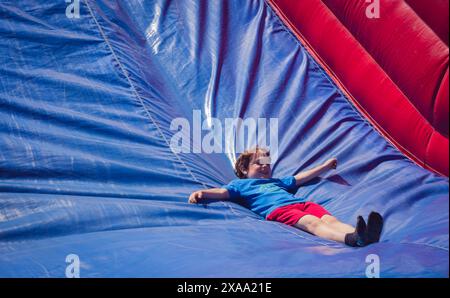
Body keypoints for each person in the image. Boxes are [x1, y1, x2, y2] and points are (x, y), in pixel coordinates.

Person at [188, 147, 383, 247]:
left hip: (302, 203)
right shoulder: (241, 184)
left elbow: (300, 178)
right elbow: (224, 193)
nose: (265, 166)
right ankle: (351, 239)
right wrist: (203, 193)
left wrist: (324, 166)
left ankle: (364, 236)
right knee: (312, 223)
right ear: (244, 169)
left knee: (330, 219)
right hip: (280, 210)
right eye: (258, 163)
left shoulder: (276, 181)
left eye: (267, 163)